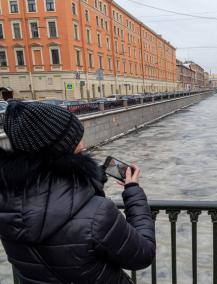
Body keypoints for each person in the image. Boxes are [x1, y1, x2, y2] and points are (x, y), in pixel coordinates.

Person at [0, 101, 155, 283]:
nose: (82, 142)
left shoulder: (6, 205)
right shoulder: (98, 213)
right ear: (60, 150)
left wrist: (88, 177)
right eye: (76, 140)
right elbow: (142, 254)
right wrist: (133, 192)